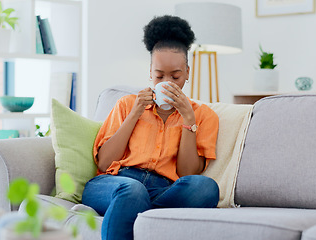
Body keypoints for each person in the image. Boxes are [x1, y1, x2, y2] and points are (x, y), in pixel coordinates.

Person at [82, 15, 220, 240]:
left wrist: (188, 119)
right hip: (116, 183)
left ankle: (136, 209)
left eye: (175, 76)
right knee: (132, 191)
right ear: (150, 73)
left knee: (205, 187)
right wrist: (136, 112)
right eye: (159, 76)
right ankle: (139, 206)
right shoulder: (127, 104)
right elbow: (104, 162)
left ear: (187, 72)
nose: (168, 82)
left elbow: (187, 173)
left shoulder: (203, 115)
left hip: (163, 189)